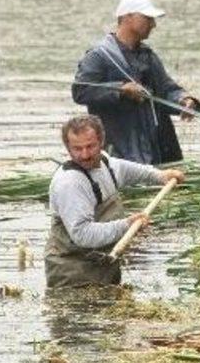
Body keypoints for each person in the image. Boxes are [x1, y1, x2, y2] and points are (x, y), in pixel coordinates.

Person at [45, 114, 185, 289]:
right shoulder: (70, 183)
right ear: (68, 148)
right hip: (72, 272)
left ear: (101, 141)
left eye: (90, 146)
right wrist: (127, 225)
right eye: (77, 149)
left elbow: (125, 170)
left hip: (103, 262)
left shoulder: (104, 162)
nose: (85, 154)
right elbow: (82, 234)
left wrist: (159, 175)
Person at [72, 0, 200, 164]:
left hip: (159, 149)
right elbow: (81, 91)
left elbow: (166, 90)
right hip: (121, 151)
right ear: (127, 17)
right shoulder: (99, 56)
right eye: (148, 18)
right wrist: (120, 90)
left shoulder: (148, 56)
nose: (153, 24)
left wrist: (183, 100)